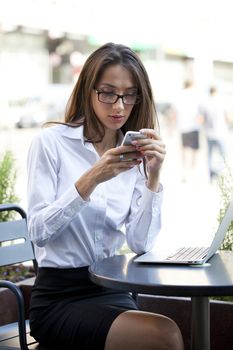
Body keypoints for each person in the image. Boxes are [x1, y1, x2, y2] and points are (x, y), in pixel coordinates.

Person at [27, 42, 184, 350]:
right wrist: (93, 177)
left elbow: (140, 243)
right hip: (60, 298)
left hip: (114, 287)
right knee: (164, 336)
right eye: (108, 92)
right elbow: (38, 231)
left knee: (161, 333)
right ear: (89, 90)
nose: (119, 106)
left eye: (129, 95)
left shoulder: (134, 153)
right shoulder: (50, 143)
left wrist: (153, 177)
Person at [174, 79, 202, 181]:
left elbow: (175, 112)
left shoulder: (180, 95)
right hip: (194, 126)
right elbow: (200, 112)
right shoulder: (195, 94)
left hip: (183, 127)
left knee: (184, 150)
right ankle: (192, 172)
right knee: (194, 150)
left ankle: (185, 172)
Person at [200, 86, 229, 181]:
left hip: (209, 133)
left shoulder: (205, 103)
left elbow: (202, 119)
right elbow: (228, 118)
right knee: (223, 155)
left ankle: (211, 176)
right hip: (221, 133)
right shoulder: (222, 102)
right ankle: (221, 174)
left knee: (210, 155)